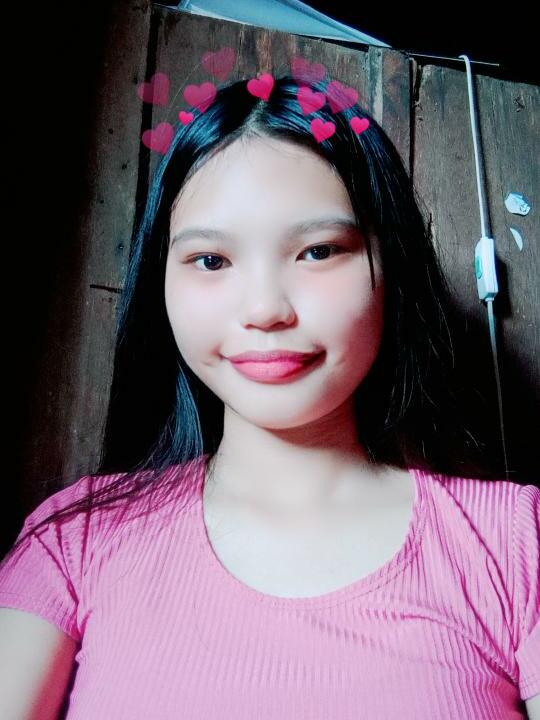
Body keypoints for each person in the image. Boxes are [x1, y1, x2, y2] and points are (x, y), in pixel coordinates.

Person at [0, 72, 538, 719]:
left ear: (391, 266)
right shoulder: (73, 542)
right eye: (211, 260)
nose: (264, 309)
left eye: (318, 251)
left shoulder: (515, 545)